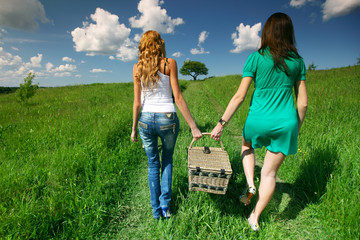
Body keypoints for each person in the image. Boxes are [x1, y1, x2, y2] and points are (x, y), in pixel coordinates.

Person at [210, 12, 308, 231]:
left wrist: (221, 123)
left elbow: (240, 96)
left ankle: (250, 184)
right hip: (285, 123)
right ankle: (254, 217)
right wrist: (296, 128)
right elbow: (302, 104)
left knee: (247, 146)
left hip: (257, 119)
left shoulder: (255, 57)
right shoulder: (298, 62)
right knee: (270, 173)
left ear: (266, 32)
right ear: (289, 33)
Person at [131, 30, 202, 220]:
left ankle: (156, 213)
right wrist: (194, 127)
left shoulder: (137, 68)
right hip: (167, 119)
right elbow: (177, 97)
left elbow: (137, 103)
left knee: (153, 164)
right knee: (167, 160)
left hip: (145, 120)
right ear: (160, 44)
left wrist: (133, 129)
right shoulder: (169, 63)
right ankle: (165, 207)